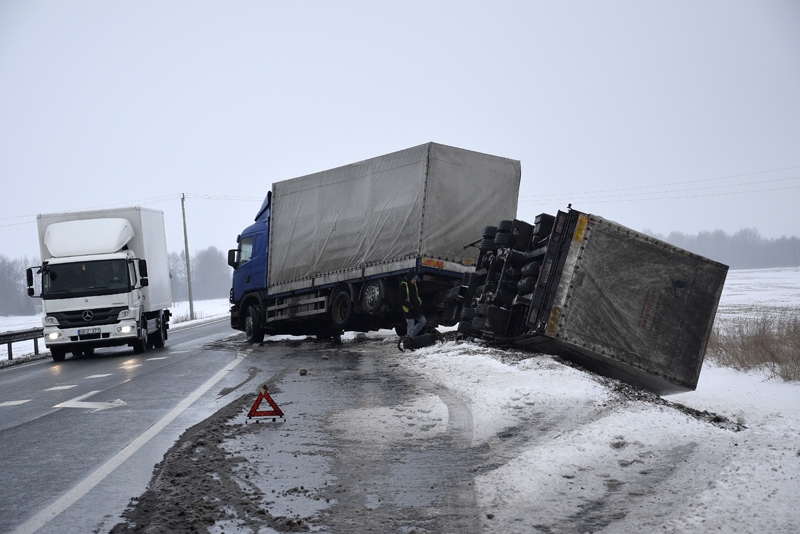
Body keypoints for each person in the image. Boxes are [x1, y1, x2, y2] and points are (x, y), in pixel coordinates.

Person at [400, 270, 427, 338]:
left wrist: (419, 305)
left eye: (416, 279)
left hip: (416, 308)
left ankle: (410, 336)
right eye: (414, 279)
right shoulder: (403, 285)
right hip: (409, 310)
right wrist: (410, 306)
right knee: (410, 327)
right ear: (410, 278)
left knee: (423, 321)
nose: (415, 281)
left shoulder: (414, 285)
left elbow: (416, 296)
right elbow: (401, 300)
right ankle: (409, 340)